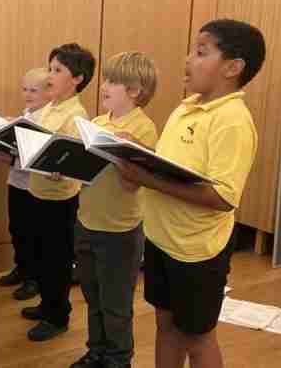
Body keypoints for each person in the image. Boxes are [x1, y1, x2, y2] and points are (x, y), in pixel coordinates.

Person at [116, 19, 266, 368]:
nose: (187, 60)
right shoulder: (186, 107)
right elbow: (174, 166)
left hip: (196, 251)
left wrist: (146, 178)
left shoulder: (232, 120)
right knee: (165, 324)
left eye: (201, 52)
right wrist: (137, 148)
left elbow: (223, 197)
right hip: (162, 237)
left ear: (232, 67)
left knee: (198, 338)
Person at [70, 51, 158, 368]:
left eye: (113, 81)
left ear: (134, 91)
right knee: (92, 298)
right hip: (87, 223)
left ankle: (119, 359)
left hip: (120, 232)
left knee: (116, 305)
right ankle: (97, 351)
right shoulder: (96, 122)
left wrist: (123, 148)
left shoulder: (143, 129)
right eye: (105, 79)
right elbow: (85, 172)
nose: (103, 85)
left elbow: (135, 183)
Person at [20, 43, 96, 341]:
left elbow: (75, 161)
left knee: (57, 260)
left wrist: (58, 165)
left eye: (58, 70)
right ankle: (47, 303)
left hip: (60, 199)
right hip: (38, 191)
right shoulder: (50, 107)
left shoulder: (77, 115)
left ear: (76, 79)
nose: (50, 75)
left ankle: (57, 316)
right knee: (40, 254)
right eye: (49, 68)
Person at [0, 67, 52, 301]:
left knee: (33, 233)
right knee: (17, 228)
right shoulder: (27, 114)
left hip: (33, 185)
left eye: (34, 90)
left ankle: (34, 278)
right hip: (17, 181)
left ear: (49, 93)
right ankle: (21, 267)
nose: (28, 95)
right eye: (25, 89)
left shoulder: (46, 118)